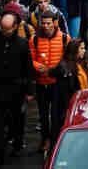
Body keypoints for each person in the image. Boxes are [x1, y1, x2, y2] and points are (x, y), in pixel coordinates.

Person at [0, 11, 34, 167]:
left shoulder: (22, 43)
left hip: (16, 90)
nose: (5, 32)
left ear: (15, 27)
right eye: (3, 29)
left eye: (8, 29)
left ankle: (17, 143)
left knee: (17, 120)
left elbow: (28, 68)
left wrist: (30, 91)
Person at [28, 10, 69, 153]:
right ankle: (45, 138)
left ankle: (55, 139)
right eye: (43, 23)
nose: (45, 26)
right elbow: (29, 59)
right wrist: (35, 65)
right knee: (43, 115)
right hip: (41, 82)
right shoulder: (34, 39)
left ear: (55, 23)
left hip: (57, 83)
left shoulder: (64, 38)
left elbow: (68, 58)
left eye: (48, 23)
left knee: (57, 114)